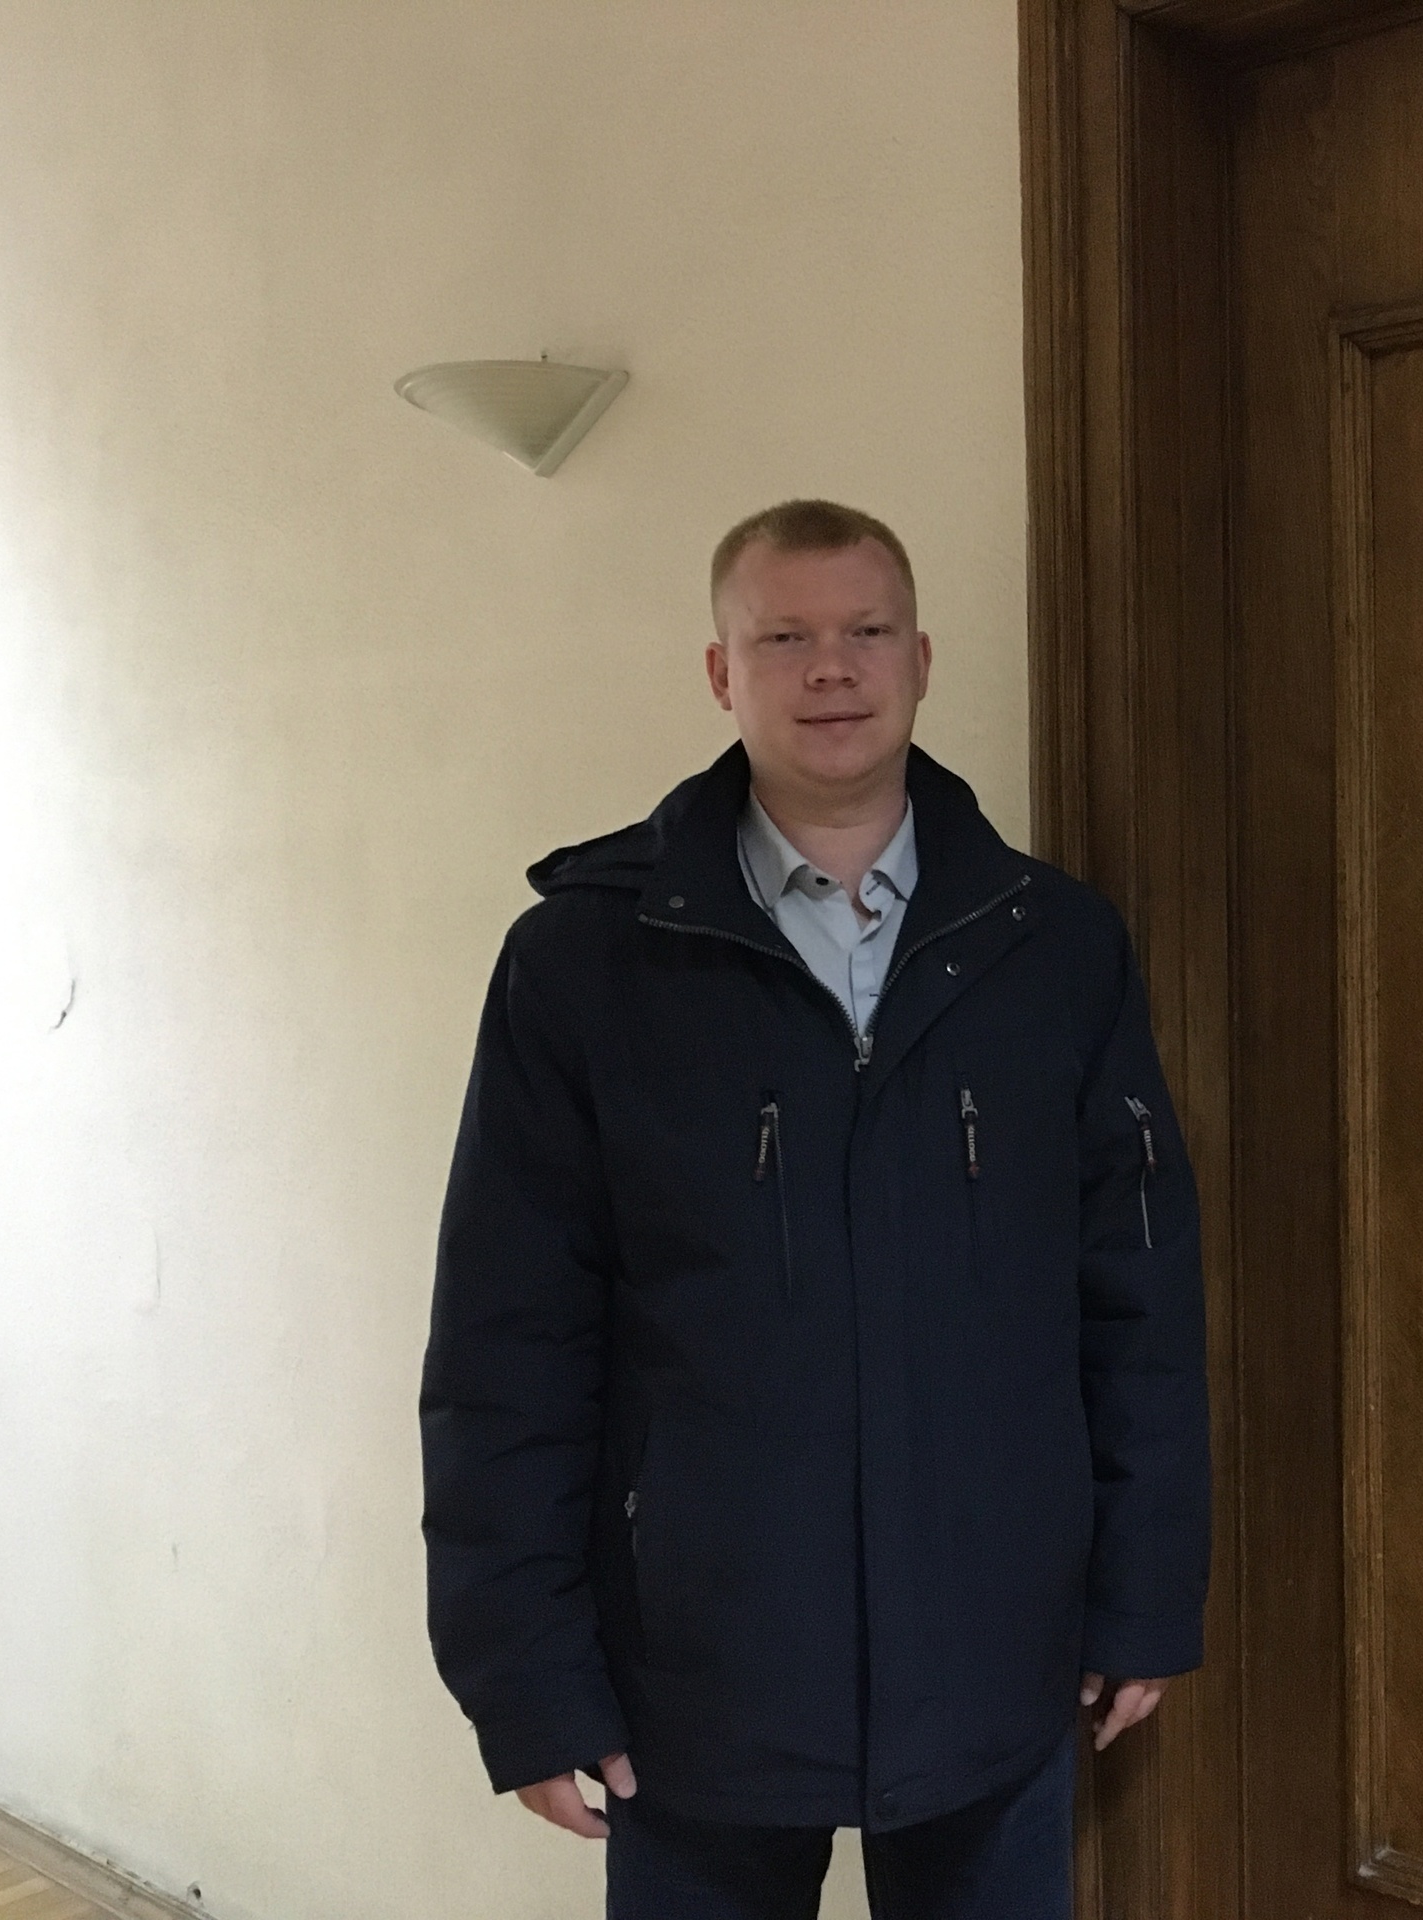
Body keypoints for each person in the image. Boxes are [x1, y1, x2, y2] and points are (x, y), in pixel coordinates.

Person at [419, 498, 1210, 1919]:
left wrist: (1145, 1593)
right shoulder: (585, 963)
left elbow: (1136, 1299)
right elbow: (505, 1343)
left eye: (866, 631)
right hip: (697, 1663)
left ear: (922, 659)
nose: (831, 668)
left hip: (994, 1647)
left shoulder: (1056, 948)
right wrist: (523, 1674)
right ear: (721, 672)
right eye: (784, 638)